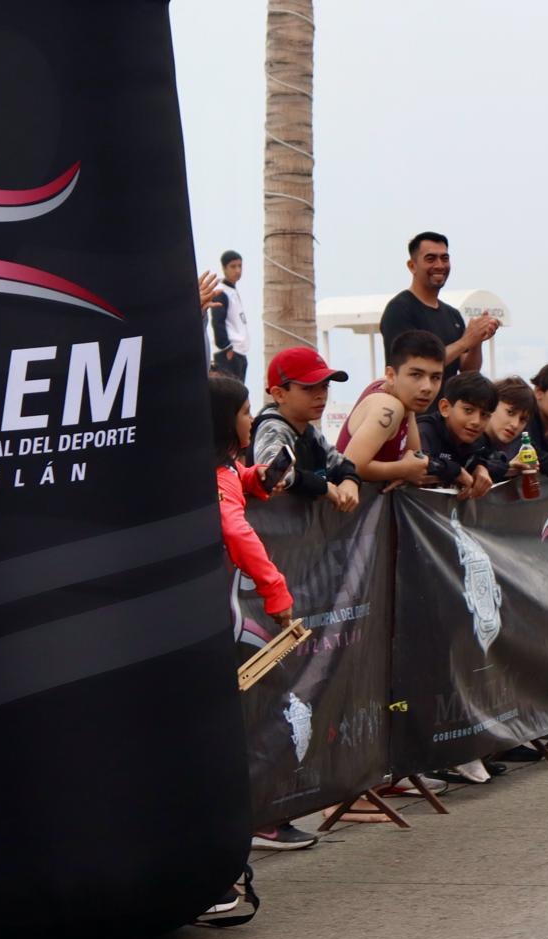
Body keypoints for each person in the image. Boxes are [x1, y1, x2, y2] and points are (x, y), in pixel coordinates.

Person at [208, 375, 318, 857]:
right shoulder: (211, 474)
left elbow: (235, 483)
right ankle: (258, 820)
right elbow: (235, 530)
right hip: (215, 622)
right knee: (263, 709)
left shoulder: (222, 467)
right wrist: (276, 592)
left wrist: (258, 478)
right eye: (244, 411)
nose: (251, 419)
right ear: (222, 420)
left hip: (217, 618)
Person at [379, 232, 500, 403]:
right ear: (412, 266)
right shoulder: (399, 309)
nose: (439, 265)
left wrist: (476, 340)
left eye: (444, 258)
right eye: (430, 259)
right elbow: (415, 364)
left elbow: (468, 371)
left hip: (444, 413)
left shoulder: (453, 315)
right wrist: (465, 342)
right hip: (412, 412)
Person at [249, 348, 361, 512]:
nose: (320, 395)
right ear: (279, 394)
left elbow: (339, 462)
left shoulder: (310, 431)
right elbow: (273, 474)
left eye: (325, 386)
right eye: (308, 388)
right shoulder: (272, 428)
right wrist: (323, 486)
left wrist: (350, 480)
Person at [338, 329, 444, 488]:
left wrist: (407, 470)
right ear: (391, 375)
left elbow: (416, 457)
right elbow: (349, 466)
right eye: (416, 375)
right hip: (349, 501)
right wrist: (404, 470)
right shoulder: (388, 407)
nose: (427, 387)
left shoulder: (402, 396)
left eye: (435, 377)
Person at [416, 372, 500, 498]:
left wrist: (483, 467)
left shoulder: (479, 439)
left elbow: (500, 460)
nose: (476, 422)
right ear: (445, 408)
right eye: (468, 410)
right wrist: (456, 471)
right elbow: (418, 461)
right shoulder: (425, 431)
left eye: (484, 414)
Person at [209, 250, 249, 381]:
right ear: (224, 268)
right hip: (229, 354)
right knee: (230, 393)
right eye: (233, 266)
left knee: (240, 392)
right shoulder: (221, 291)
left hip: (240, 353)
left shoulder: (232, 289)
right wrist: (226, 348)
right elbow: (217, 322)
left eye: (240, 266)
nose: (238, 270)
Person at [486, 376, 536, 456]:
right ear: (492, 403)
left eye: (522, 419)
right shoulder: (469, 444)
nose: (515, 425)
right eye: (510, 412)